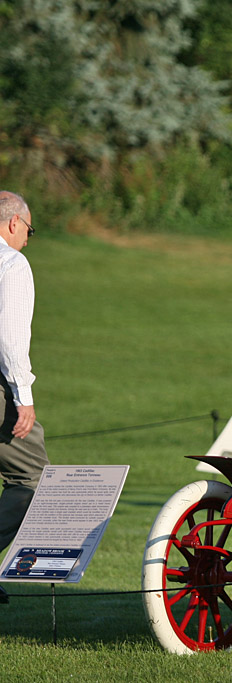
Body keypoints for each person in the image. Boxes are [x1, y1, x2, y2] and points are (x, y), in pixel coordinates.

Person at [0, 191, 49, 601]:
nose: (29, 239)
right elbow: (10, 338)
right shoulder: (12, 264)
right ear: (14, 223)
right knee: (32, 479)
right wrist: (23, 395)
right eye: (29, 230)